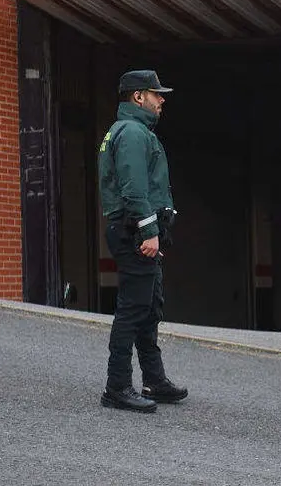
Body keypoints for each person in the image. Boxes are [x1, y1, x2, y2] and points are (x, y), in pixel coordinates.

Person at [96, 69, 188, 413]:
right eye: (156, 94)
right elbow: (134, 188)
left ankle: (154, 380)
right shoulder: (133, 133)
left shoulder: (130, 131)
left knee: (149, 308)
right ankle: (117, 386)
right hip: (135, 230)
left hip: (137, 229)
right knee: (133, 310)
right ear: (138, 97)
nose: (161, 100)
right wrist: (149, 231)